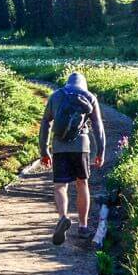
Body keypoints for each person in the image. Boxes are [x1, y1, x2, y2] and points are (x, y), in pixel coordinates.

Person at [38, 71, 105, 245]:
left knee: (60, 185)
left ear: (68, 83)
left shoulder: (56, 96)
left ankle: (63, 217)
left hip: (60, 147)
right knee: (82, 183)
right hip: (81, 146)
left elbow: (46, 122)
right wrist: (101, 151)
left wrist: (44, 151)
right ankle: (82, 227)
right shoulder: (89, 97)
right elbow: (98, 126)